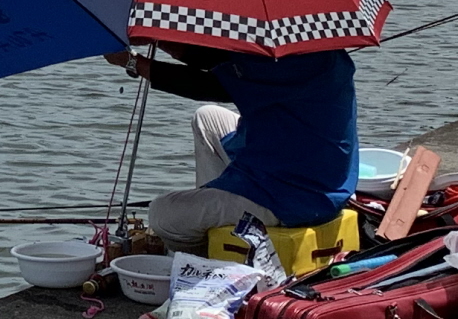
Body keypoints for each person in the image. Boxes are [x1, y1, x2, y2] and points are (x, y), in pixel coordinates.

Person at [121, 43, 359, 248]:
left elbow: (208, 85)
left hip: (292, 194)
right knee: (208, 118)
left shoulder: (284, 64)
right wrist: (161, 40)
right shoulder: (322, 50)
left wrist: (132, 62)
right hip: (314, 169)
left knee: (162, 213)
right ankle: (218, 220)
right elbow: (221, 60)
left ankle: (206, 256)